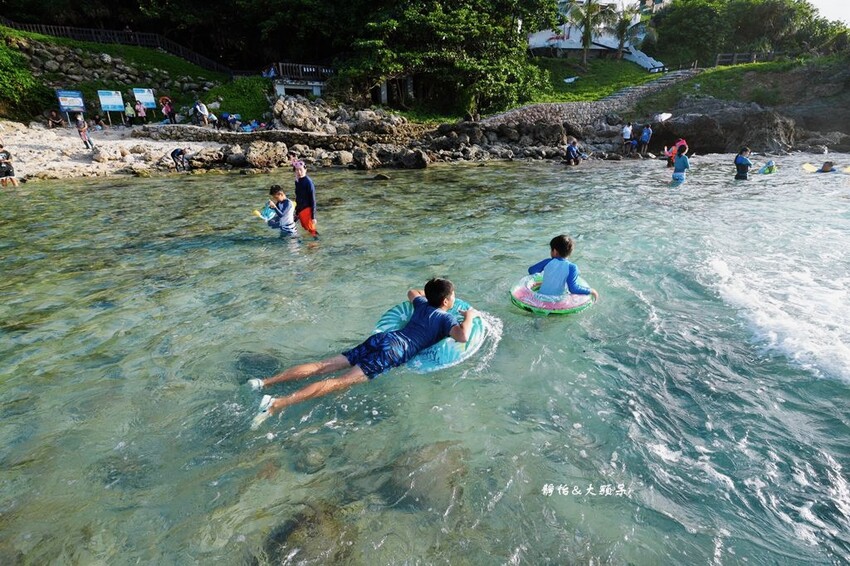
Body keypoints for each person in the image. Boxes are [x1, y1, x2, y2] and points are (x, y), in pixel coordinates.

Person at [247, 278, 478, 428]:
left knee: (323, 366)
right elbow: (463, 336)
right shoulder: (446, 319)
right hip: (395, 352)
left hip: (384, 338)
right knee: (339, 382)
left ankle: (264, 382)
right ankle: (277, 404)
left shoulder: (422, 304)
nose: (454, 298)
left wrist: (428, 295)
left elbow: (412, 291)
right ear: (446, 301)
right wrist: (470, 316)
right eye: (453, 295)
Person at [528, 235, 599, 302]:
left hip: (540, 299)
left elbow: (531, 270)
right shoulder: (572, 267)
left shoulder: (547, 262)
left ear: (554, 251)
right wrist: (591, 291)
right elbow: (573, 289)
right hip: (557, 302)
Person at [292, 159, 318, 238]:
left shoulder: (308, 182)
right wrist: (297, 212)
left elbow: (313, 199)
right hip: (301, 211)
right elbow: (298, 197)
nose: (299, 172)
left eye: (301, 170)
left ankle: (316, 244)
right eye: (297, 170)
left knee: (312, 231)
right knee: (307, 230)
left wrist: (313, 217)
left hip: (307, 210)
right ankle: (310, 244)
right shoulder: (297, 181)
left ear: (305, 170)